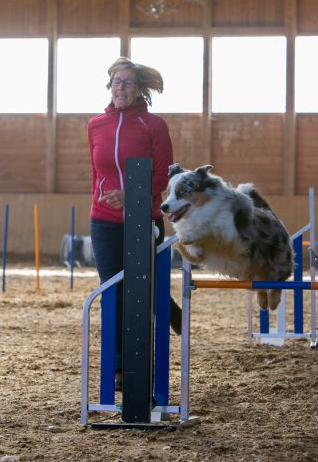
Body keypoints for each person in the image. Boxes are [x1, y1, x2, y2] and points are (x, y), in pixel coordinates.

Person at [87, 57, 181, 391]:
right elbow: (97, 172)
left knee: (141, 289)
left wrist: (131, 195)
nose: (121, 87)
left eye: (128, 82)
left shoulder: (154, 125)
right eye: (116, 81)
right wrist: (102, 200)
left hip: (143, 217)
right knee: (112, 290)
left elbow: (162, 176)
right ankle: (118, 367)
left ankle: (166, 311)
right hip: (104, 220)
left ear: (140, 88)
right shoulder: (95, 125)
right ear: (109, 86)